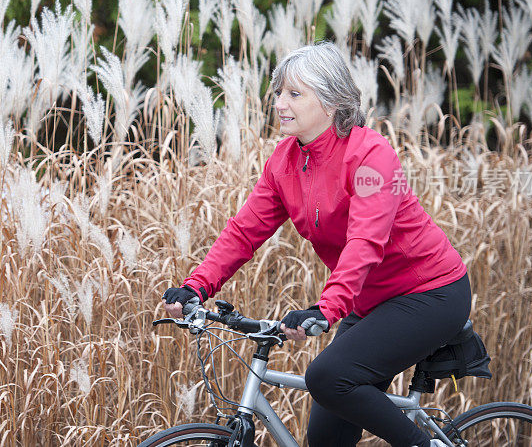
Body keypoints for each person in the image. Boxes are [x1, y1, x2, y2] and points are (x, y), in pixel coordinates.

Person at [161, 42, 470, 447]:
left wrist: (326, 310)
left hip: (429, 293)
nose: (279, 103)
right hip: (368, 302)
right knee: (326, 438)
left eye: (294, 93)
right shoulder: (285, 161)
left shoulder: (370, 155)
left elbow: (365, 241)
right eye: (278, 93)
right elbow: (244, 232)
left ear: (329, 101)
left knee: (326, 377)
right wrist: (196, 286)